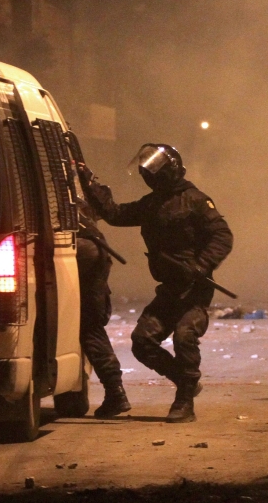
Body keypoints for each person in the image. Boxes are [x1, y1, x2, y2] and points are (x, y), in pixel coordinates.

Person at [78, 144, 233, 423]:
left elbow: (222, 236)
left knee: (185, 336)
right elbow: (114, 214)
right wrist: (89, 183)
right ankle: (185, 383)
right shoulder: (151, 204)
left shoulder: (196, 200)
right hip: (169, 289)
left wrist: (201, 265)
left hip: (193, 289)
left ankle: (184, 403)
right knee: (142, 342)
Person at [75, 203, 131, 418]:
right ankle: (115, 391)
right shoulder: (72, 179)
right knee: (91, 327)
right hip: (94, 246)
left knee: (88, 327)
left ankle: (115, 393)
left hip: (79, 246)